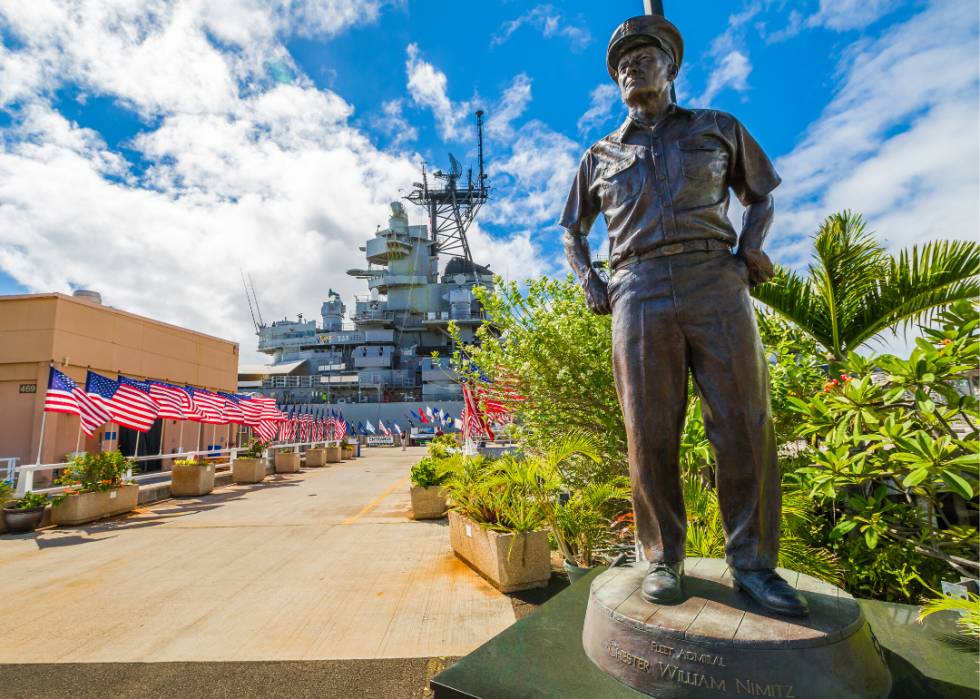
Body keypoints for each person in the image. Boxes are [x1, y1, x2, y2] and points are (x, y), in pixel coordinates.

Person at [559, 15, 807, 617]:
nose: (630, 69)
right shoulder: (599, 156)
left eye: (643, 59)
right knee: (648, 431)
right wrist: (591, 278)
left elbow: (761, 193)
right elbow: (572, 229)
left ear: (671, 68)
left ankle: (753, 565)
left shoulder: (718, 128)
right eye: (621, 65)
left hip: (713, 277)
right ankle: (661, 558)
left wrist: (750, 247)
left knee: (745, 423)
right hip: (637, 288)